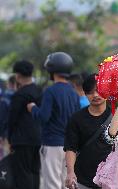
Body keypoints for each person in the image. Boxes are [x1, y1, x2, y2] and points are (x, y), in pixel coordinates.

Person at [27, 52, 80, 189]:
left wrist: (33, 108)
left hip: (51, 145)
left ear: (52, 70)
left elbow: (43, 117)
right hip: (70, 147)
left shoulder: (50, 91)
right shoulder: (74, 93)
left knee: (52, 185)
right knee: (67, 184)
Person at [64, 73, 112, 189]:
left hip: (110, 180)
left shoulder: (117, 117)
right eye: (90, 92)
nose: (95, 95)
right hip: (82, 180)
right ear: (84, 93)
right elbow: (70, 148)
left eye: (98, 90)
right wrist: (70, 172)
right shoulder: (76, 119)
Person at [8, 60, 42, 189]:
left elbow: (12, 119)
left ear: (18, 76)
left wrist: (10, 138)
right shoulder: (39, 91)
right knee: (35, 172)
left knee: (23, 174)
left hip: (21, 139)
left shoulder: (19, 94)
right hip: (38, 138)